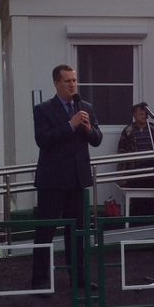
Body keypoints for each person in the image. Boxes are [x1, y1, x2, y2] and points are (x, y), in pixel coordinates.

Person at [31, 64, 103, 291]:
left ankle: (78, 277)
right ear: (56, 84)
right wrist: (70, 126)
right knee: (46, 231)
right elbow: (43, 140)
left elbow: (97, 139)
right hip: (52, 181)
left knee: (78, 233)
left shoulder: (85, 107)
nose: (72, 84)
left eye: (74, 80)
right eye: (67, 81)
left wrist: (89, 128)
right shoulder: (43, 109)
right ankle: (40, 281)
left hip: (77, 180)